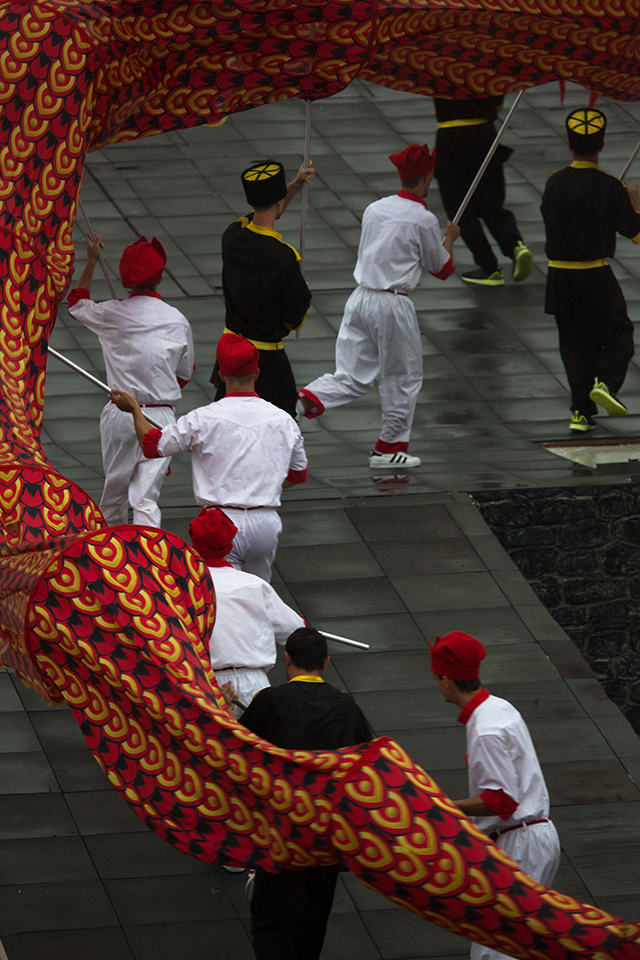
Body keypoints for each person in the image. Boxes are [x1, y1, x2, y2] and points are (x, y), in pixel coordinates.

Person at [297, 144, 460, 469]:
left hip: (360, 298)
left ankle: (297, 405)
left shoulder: (375, 208)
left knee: (351, 375)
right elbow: (441, 268)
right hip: (392, 304)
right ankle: (389, 447)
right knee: (403, 376)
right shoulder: (423, 219)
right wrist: (450, 238)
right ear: (427, 177)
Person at [110, 332, 308, 582]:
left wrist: (135, 411)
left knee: (218, 597)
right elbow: (298, 475)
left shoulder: (202, 418)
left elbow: (152, 445)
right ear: (257, 374)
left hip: (219, 525)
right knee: (260, 594)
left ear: (222, 375)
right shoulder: (284, 421)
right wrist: (261, 488)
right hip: (265, 523)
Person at [240, 628, 373, 960]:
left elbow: (238, 754)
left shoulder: (270, 701)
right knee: (311, 925)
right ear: (326, 663)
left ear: (286, 659)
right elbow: (367, 770)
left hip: (281, 835)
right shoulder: (347, 707)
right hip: (326, 840)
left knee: (272, 925)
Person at [430, 631, 560, 960]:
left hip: (522, 842)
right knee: (518, 945)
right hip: (532, 836)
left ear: (446, 680)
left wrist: (442, 806)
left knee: (495, 950)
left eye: (436, 678)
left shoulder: (485, 728)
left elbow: (500, 801)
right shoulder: (498, 708)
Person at [67, 234, 194, 526]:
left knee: (114, 493)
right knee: (146, 499)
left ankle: (109, 559)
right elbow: (184, 375)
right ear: (159, 276)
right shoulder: (177, 319)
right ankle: (148, 561)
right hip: (161, 416)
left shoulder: (110, 312)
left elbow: (76, 304)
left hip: (121, 413)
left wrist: (91, 260)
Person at [541, 107, 640, 432]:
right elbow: (636, 234)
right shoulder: (610, 186)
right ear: (601, 145)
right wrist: (633, 204)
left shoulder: (554, 183)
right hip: (595, 274)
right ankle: (605, 383)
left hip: (559, 276)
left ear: (570, 145)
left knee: (574, 344)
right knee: (619, 334)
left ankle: (580, 412)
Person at [211, 159, 315, 418]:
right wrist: (301, 289)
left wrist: (294, 185)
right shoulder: (283, 256)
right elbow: (294, 317)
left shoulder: (232, 236)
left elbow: (267, 211)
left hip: (230, 351)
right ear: (280, 202)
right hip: (266, 363)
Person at [189, 506, 304, 717]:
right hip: (255, 686)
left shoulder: (182, 587)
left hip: (204, 686)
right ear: (230, 543)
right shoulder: (254, 584)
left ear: (192, 543)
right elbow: (295, 630)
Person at [434, 96, 532, 286]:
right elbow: (498, 104)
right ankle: (515, 246)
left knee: (459, 209)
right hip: (485, 133)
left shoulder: (439, 67)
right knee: (491, 202)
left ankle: (489, 267)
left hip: (451, 137)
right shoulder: (487, 68)